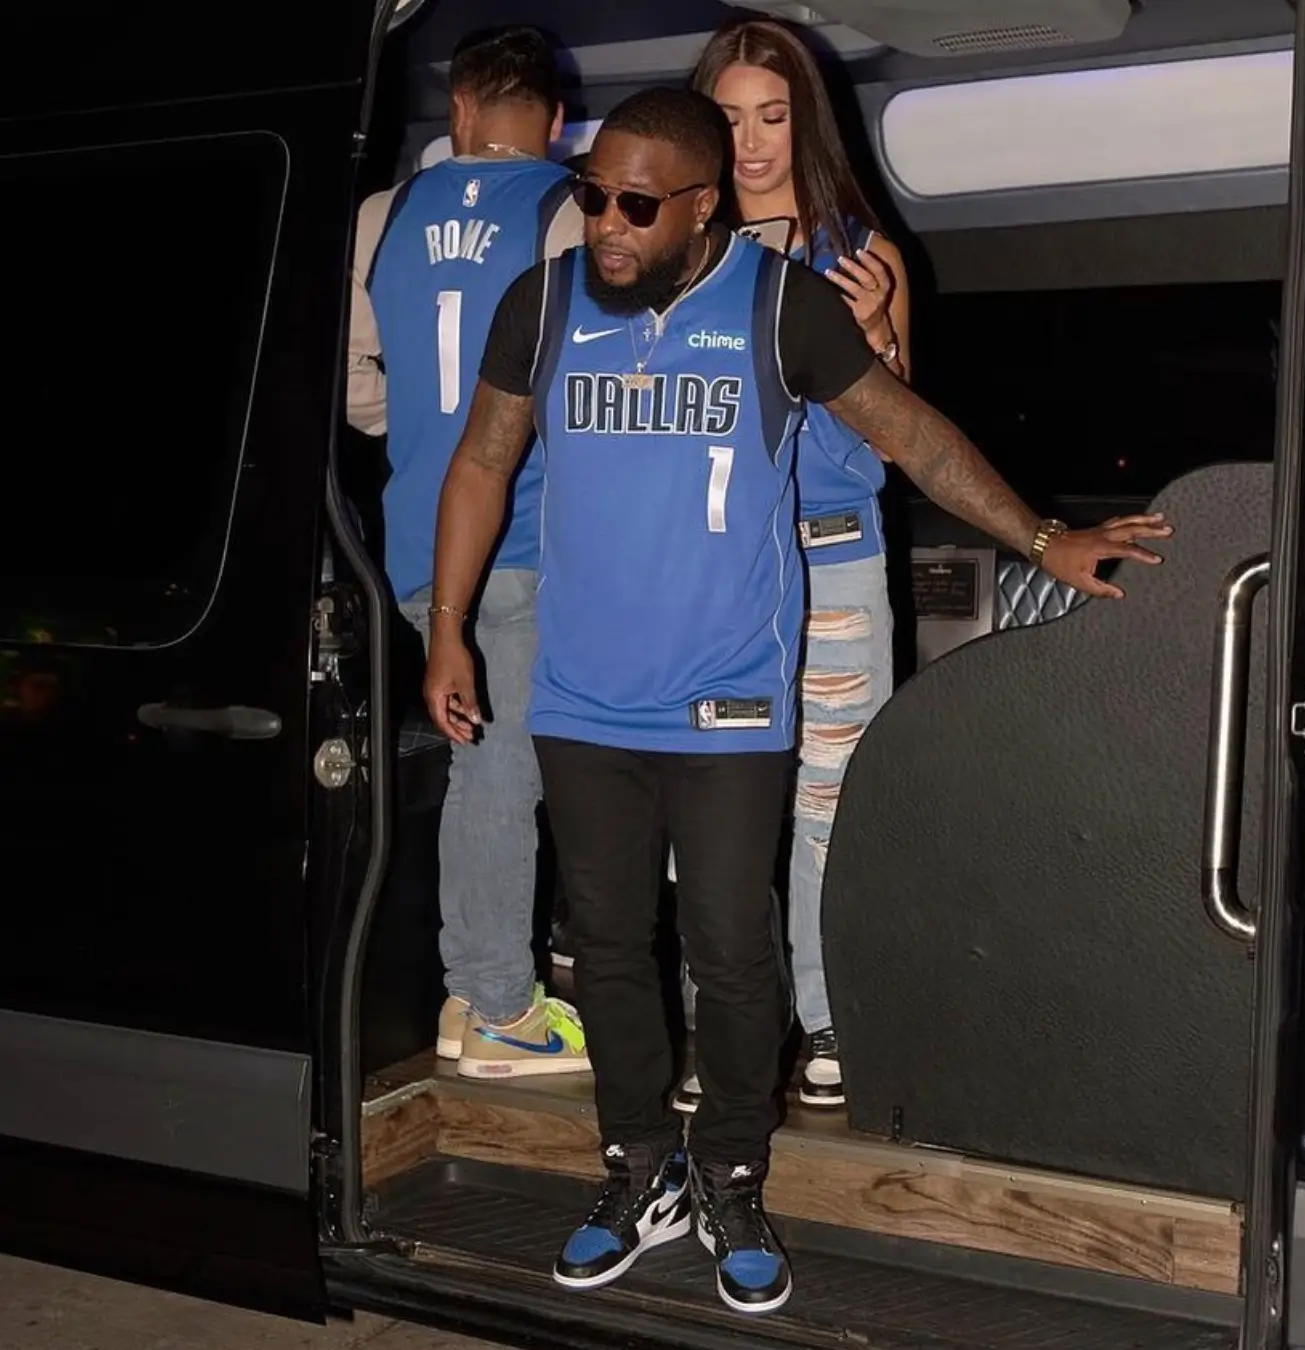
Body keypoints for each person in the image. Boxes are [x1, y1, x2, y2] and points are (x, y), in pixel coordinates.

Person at [421, 86, 1171, 1316]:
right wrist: (449, 634)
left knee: (729, 951)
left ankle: (727, 1172)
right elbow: (483, 461)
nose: (603, 224)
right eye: (591, 197)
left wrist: (1041, 537)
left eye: (634, 205)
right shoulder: (545, 302)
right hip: (580, 698)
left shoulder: (778, 306)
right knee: (607, 949)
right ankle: (633, 1169)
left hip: (724, 703)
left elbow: (910, 435)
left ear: (702, 205)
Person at [676, 16, 910, 1114]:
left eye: (772, 116)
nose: (752, 143)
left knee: (830, 806)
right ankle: (721, 1024)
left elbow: (903, 440)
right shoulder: (682, 254)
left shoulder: (859, 251)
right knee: (714, 810)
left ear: (802, 123)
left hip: (831, 559)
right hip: (707, 571)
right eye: (728, 119)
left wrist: (880, 348)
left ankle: (827, 1018)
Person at [346, 24, 589, 1079]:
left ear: (458, 111)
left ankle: (493, 982)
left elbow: (357, 386)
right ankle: (493, 1002)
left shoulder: (378, 214)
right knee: (503, 773)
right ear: (554, 120)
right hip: (530, 533)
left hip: (414, 544)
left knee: (488, 763)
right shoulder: (571, 209)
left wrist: (416, 432)